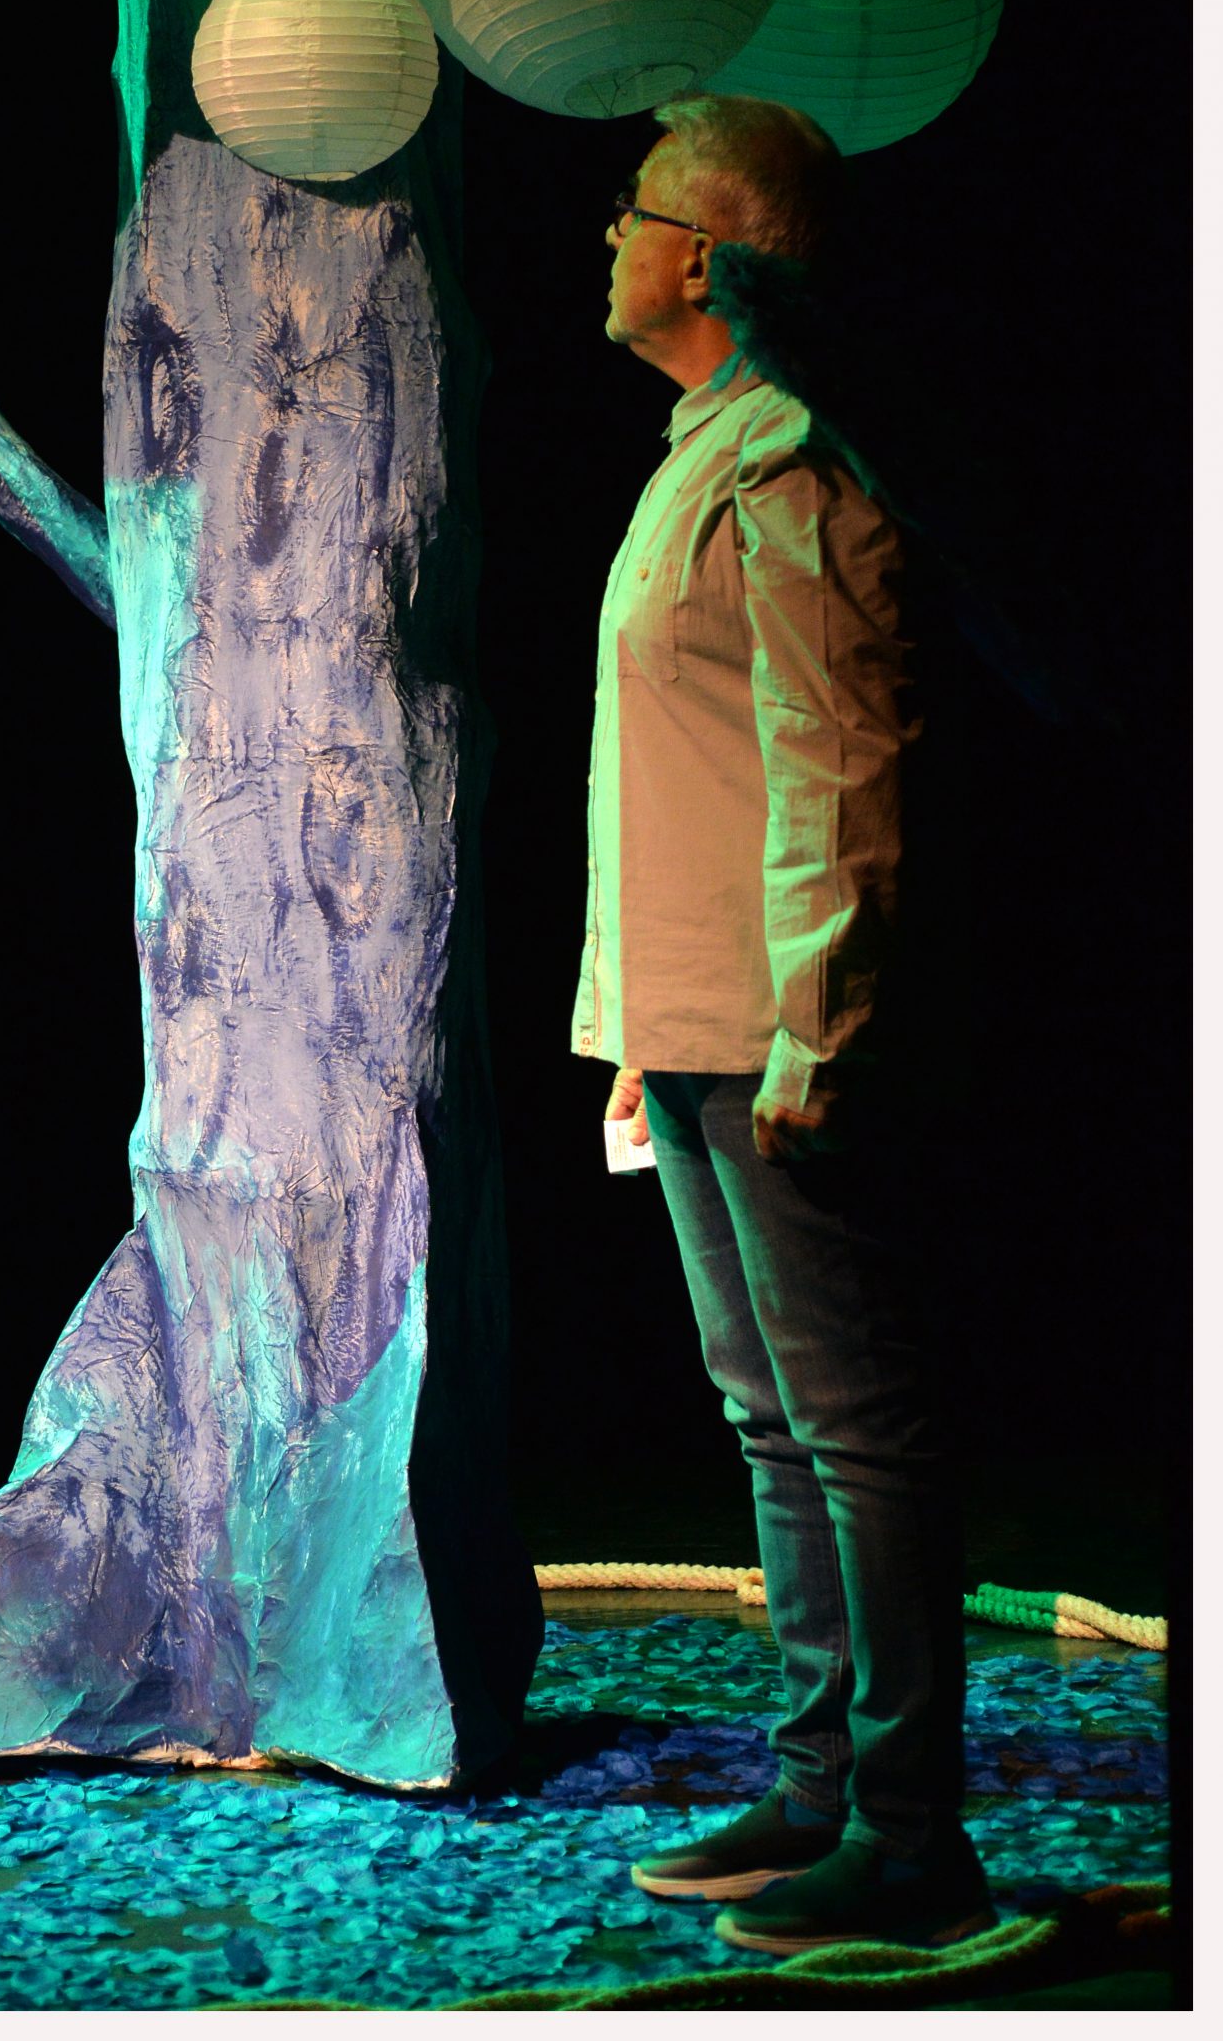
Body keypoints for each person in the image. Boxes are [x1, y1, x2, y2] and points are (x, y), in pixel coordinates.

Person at [574, 94, 990, 1954]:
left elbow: (843, 756)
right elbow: (675, 772)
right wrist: (635, 1023)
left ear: (713, 254)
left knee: (854, 1424)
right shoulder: (698, 453)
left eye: (636, 208)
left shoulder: (795, 457)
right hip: (693, 1019)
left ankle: (909, 1836)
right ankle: (820, 1787)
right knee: (771, 1420)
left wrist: (820, 1021)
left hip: (777, 1022)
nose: (609, 235)